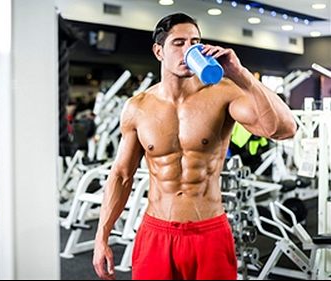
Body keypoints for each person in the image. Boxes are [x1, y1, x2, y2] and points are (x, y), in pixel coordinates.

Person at [92, 12, 297, 280]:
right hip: (157, 234)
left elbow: (283, 129)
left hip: (209, 233)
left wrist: (240, 74)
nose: (189, 49)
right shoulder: (138, 107)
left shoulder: (223, 93)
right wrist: (101, 236)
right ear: (159, 51)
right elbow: (121, 174)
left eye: (195, 41)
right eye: (178, 43)